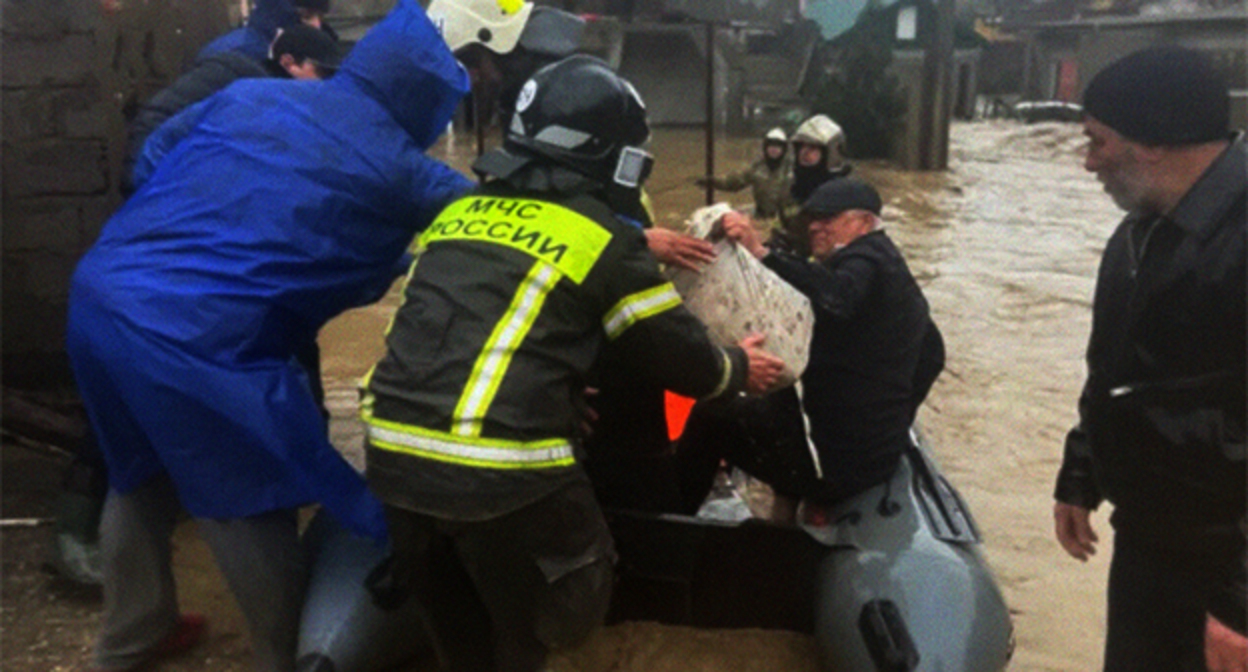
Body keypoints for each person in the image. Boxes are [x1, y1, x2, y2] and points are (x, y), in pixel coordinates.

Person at [67, 2, 472, 670]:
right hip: (195, 338)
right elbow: (496, 220)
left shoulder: (253, 94)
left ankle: (130, 640)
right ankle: (285, 659)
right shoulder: (402, 167)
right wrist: (632, 236)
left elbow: (161, 148)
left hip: (102, 297)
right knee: (251, 495)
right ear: (425, 101)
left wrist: (201, 212)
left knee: (139, 476)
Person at [360, 55, 786, 672]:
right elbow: (675, 355)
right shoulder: (603, 241)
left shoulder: (453, 218)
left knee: (458, 638)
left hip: (394, 456)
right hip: (503, 472)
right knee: (569, 599)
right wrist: (738, 369)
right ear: (610, 158)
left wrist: (554, 392)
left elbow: (457, 336)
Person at [1051, 46, 1246, 672]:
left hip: (1226, 566)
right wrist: (1081, 468)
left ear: (1154, 140)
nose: (1088, 164)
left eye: (1097, 142)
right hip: (1149, 544)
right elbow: (1113, 371)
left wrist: (1241, 604)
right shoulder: (1138, 231)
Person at [681, 177, 943, 519]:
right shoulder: (894, 269)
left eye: (830, 218)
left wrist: (760, 254)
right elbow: (934, 355)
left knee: (711, 415)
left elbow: (837, 296)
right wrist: (895, 420)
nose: (817, 227)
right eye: (813, 218)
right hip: (874, 454)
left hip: (836, 466)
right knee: (777, 401)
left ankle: (671, 521)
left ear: (865, 222)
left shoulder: (864, 260)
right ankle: (788, 507)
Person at [123, 24, 342, 194]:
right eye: (321, 73)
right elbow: (159, 115)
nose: (325, 83)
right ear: (289, 63)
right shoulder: (236, 79)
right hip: (162, 184)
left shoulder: (267, 95)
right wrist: (143, 185)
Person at [773, 114, 853, 257]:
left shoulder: (849, 195)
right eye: (801, 147)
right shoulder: (791, 190)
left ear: (831, 153)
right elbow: (782, 229)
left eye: (813, 148)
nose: (805, 152)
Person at [696, 126, 793, 220]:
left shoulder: (792, 168)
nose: (774, 149)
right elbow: (732, 183)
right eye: (771, 145)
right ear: (765, 147)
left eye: (778, 146)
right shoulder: (757, 167)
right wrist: (710, 181)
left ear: (783, 149)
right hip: (761, 215)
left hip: (787, 218)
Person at [197, 0, 336, 64]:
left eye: (321, 17)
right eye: (307, 16)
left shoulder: (319, 50)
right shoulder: (234, 55)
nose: (317, 26)